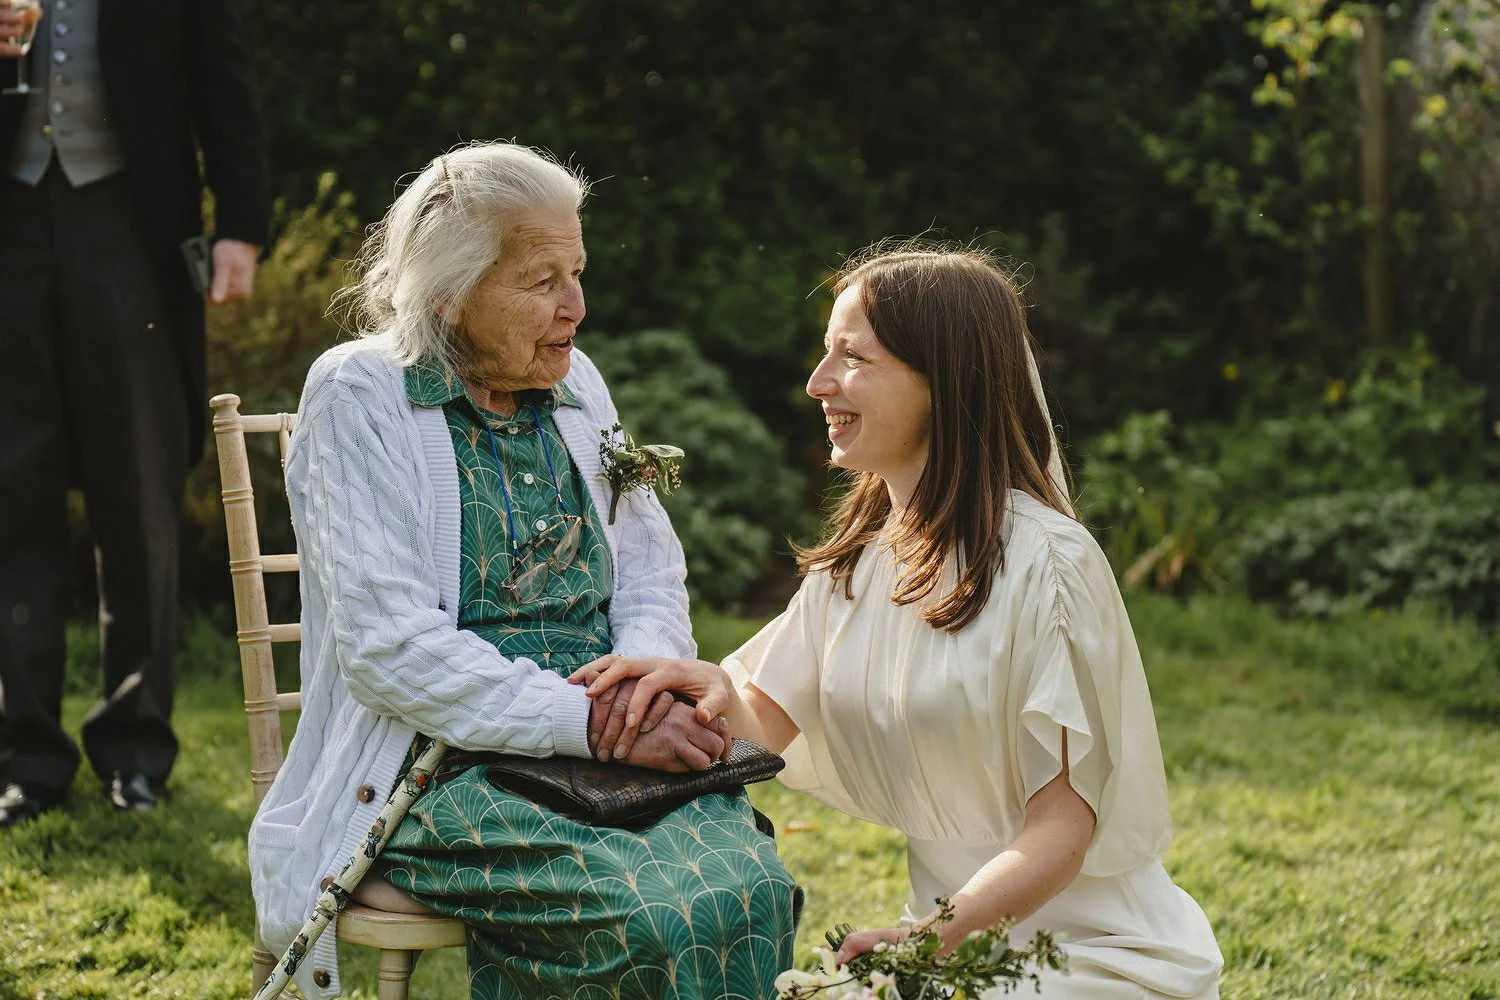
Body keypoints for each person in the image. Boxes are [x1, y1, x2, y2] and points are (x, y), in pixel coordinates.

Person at [577, 248, 1225, 998]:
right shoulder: (857, 563)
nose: (818, 384)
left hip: (1084, 959)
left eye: (852, 358)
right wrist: (704, 689)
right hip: (937, 957)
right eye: (826, 355)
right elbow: (760, 722)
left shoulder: (1050, 565)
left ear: (945, 381)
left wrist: (931, 940)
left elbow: (1063, 827)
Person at [249, 141, 800, 1000]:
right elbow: (390, 650)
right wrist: (589, 720)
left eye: (577, 273)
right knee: (646, 923)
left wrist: (642, 683)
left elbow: (649, 566)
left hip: (614, 742)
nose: (576, 308)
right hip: (445, 763)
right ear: (450, 293)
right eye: (543, 282)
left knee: (758, 891)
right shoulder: (360, 393)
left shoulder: (578, 384)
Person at [0, 0, 269, 824]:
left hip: (129, 228)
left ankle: (136, 752)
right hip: (8, 228)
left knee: (140, 497)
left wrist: (242, 225)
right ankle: (26, 759)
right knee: (13, 498)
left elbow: (222, 78)